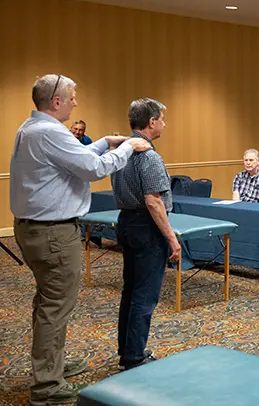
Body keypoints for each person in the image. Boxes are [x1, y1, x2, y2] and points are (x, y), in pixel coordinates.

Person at [11, 74, 149, 406]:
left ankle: (50, 366)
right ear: (56, 102)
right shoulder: (49, 133)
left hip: (35, 229)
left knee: (48, 303)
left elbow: (75, 157)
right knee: (55, 308)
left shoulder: (31, 128)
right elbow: (93, 168)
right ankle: (47, 386)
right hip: (53, 233)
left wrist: (102, 140)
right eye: (72, 97)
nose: (76, 102)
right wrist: (128, 146)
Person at [111, 98, 181, 372]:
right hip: (146, 228)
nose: (164, 123)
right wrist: (172, 239)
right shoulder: (148, 156)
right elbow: (154, 202)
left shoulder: (120, 151)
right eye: (162, 119)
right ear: (151, 122)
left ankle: (127, 348)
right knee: (145, 295)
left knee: (130, 291)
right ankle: (134, 356)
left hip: (127, 222)